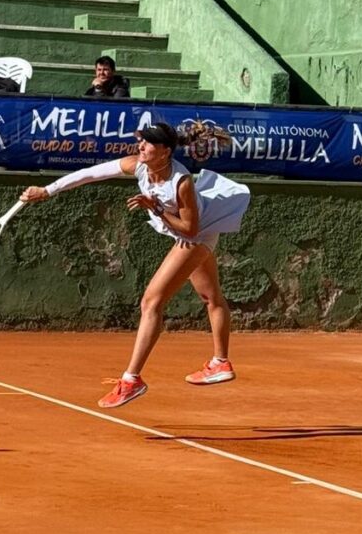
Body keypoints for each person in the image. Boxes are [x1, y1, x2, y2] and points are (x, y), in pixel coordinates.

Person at [20, 123, 250, 408]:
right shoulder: (138, 165)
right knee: (210, 296)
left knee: (151, 302)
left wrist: (155, 208)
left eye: (148, 143)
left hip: (196, 234)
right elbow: (90, 173)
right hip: (190, 230)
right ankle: (221, 362)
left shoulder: (181, 182)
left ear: (165, 152)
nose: (141, 146)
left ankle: (131, 379)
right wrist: (47, 190)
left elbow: (190, 230)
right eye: (141, 141)